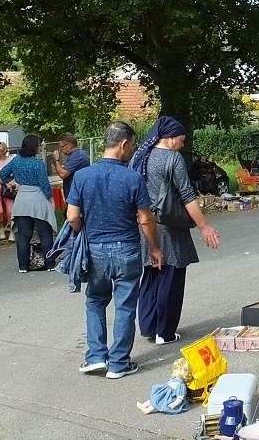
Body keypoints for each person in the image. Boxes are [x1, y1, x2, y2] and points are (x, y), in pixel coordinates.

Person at [68, 121, 162, 378]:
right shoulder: (133, 178)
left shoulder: (82, 176)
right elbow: (145, 219)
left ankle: (96, 356)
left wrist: (82, 233)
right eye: (132, 144)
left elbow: (72, 217)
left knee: (96, 300)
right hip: (127, 250)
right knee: (125, 306)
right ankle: (119, 363)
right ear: (123, 144)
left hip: (95, 250)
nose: (132, 149)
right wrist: (154, 248)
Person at [131, 117, 220, 345]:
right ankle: (165, 332)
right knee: (171, 276)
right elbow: (187, 195)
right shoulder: (173, 158)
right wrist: (205, 226)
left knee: (151, 274)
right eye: (180, 140)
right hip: (169, 225)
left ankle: (149, 327)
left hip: (145, 224)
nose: (182, 144)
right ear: (170, 139)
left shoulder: (140, 156)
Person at [0, 135, 56, 273]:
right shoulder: (38, 163)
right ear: (34, 147)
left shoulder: (16, 161)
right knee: (45, 234)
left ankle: (23, 266)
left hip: (22, 199)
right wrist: (50, 197)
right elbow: (44, 184)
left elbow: (2, 173)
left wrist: (11, 182)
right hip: (38, 199)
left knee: (24, 235)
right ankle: (50, 264)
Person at [50, 132, 90, 200]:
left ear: (68, 145)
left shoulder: (77, 156)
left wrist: (56, 160)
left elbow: (63, 174)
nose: (60, 150)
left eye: (61, 147)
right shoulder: (78, 154)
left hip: (77, 197)